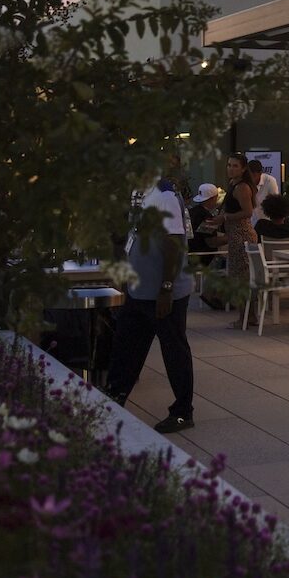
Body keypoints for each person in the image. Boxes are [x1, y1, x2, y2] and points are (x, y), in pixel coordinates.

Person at [106, 180, 196, 434]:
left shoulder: (164, 195)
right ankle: (114, 398)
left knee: (174, 350)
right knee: (126, 347)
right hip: (139, 289)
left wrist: (166, 288)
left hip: (163, 293)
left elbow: (173, 242)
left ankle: (182, 411)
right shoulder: (137, 194)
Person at [220, 152, 257, 296]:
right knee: (237, 274)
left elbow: (248, 212)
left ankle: (248, 315)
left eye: (235, 166)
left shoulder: (242, 187)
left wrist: (225, 217)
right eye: (229, 165)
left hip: (242, 234)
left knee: (243, 275)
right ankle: (244, 315)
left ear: (243, 169)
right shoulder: (232, 184)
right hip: (234, 233)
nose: (231, 169)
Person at [188, 183, 224, 252]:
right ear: (213, 198)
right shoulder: (206, 216)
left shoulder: (192, 211)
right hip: (202, 257)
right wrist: (230, 238)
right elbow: (211, 242)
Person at [248, 159, 280, 224]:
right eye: (249, 176)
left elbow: (275, 202)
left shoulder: (270, 181)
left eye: (254, 176)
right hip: (250, 222)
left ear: (260, 173)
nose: (251, 179)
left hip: (266, 221)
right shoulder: (245, 182)